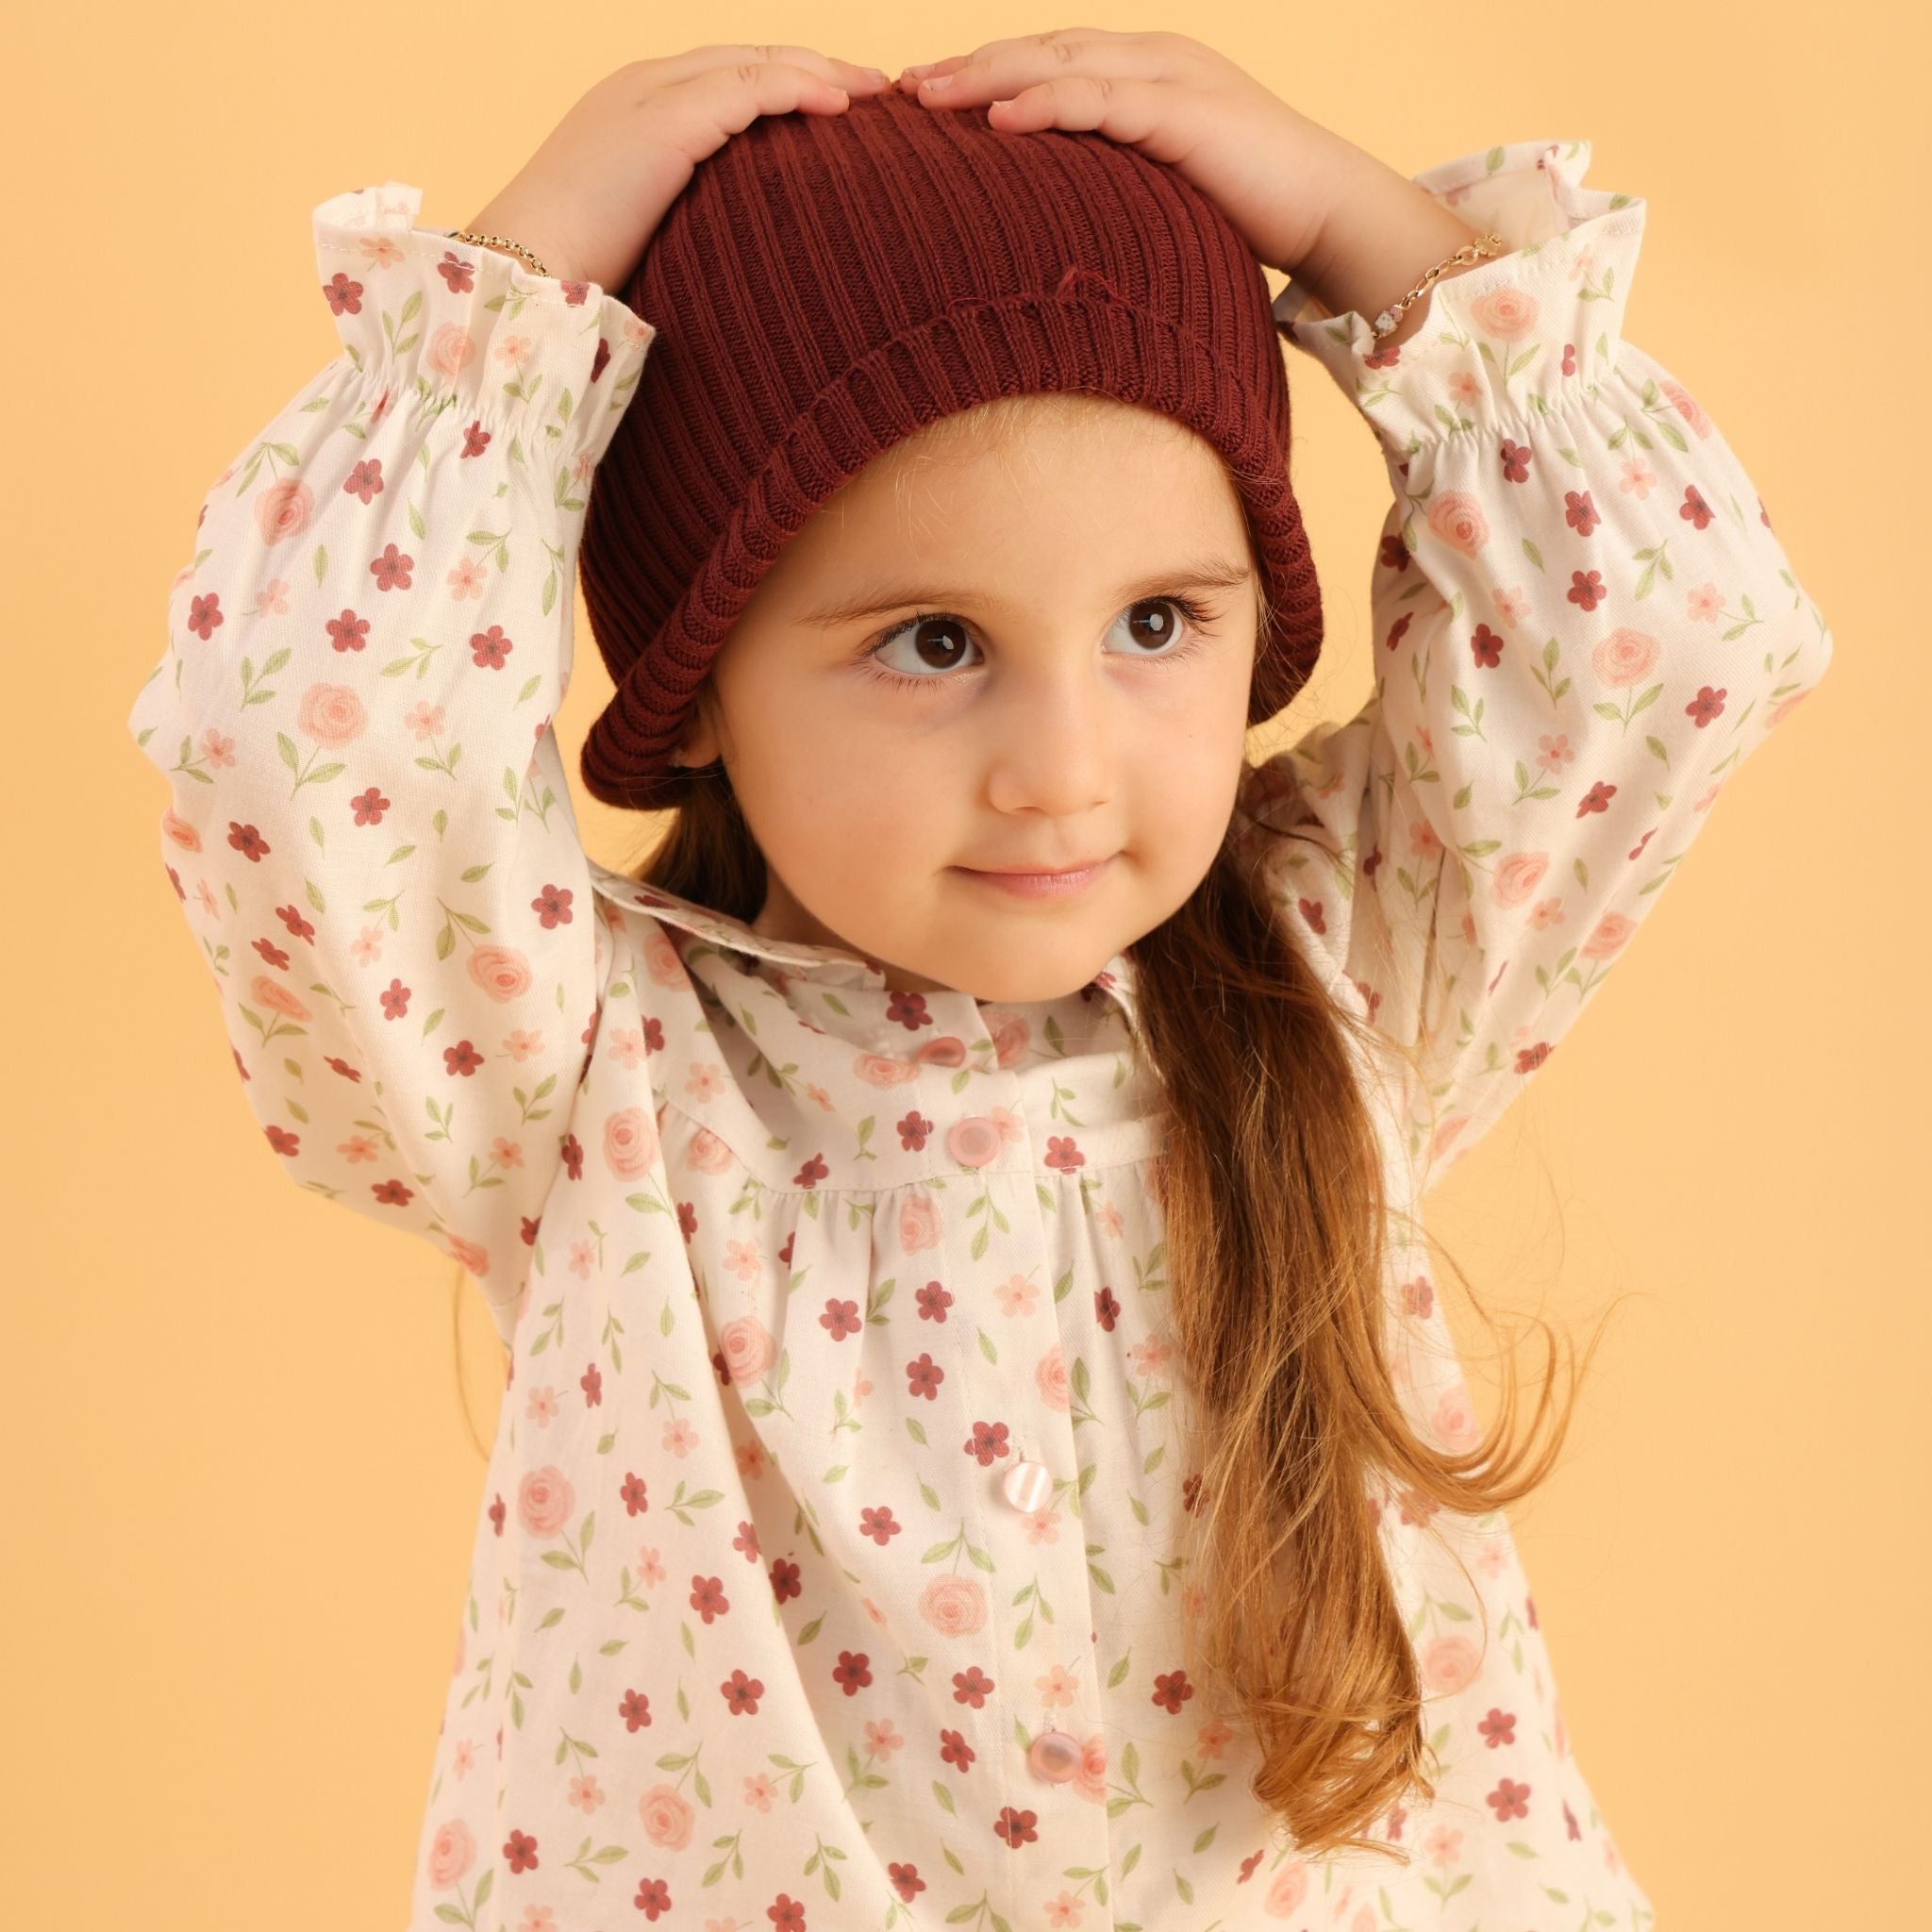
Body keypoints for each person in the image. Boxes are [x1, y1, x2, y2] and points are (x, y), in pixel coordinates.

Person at [125, 33, 1832, 1930]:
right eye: (934, 643)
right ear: (703, 685)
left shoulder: (1336, 967)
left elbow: (1675, 641)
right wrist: (502, 311)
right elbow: (302, 743)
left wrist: (1361, 223)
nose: (1062, 769)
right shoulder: (586, 1075)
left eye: (1157, 623)